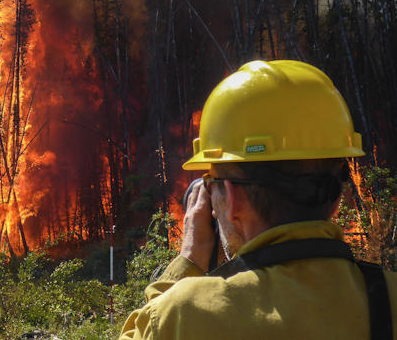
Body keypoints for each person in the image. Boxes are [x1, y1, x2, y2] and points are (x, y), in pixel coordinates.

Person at [119, 60, 397, 340]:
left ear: (235, 198)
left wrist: (188, 259)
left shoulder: (182, 315)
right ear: (335, 197)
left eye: (211, 185)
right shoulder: (389, 299)